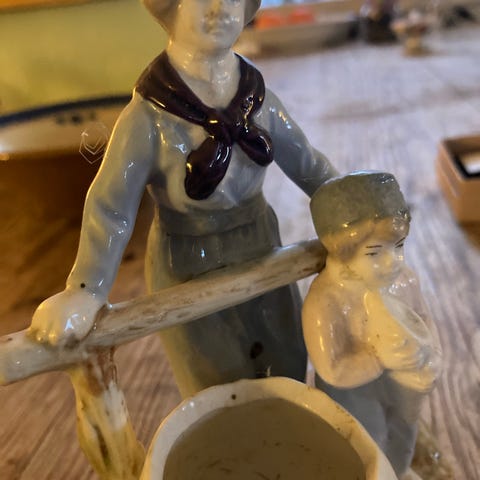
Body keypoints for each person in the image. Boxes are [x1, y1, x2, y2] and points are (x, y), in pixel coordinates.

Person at [28, 0, 340, 398]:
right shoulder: (147, 117)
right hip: (189, 259)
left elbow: (308, 164)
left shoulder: (257, 97)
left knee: (286, 356)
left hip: (260, 242)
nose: (219, 8)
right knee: (216, 382)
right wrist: (86, 290)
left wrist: (352, 209)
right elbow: (111, 206)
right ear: (169, 8)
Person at [302, 171, 442, 479]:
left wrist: (432, 352)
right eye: (375, 252)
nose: (393, 261)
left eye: (399, 246)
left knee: (404, 432)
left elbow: (424, 319)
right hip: (355, 395)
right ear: (342, 252)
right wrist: (378, 358)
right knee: (367, 438)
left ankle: (399, 471)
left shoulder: (404, 281)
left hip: (402, 383)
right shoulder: (326, 300)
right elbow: (331, 368)